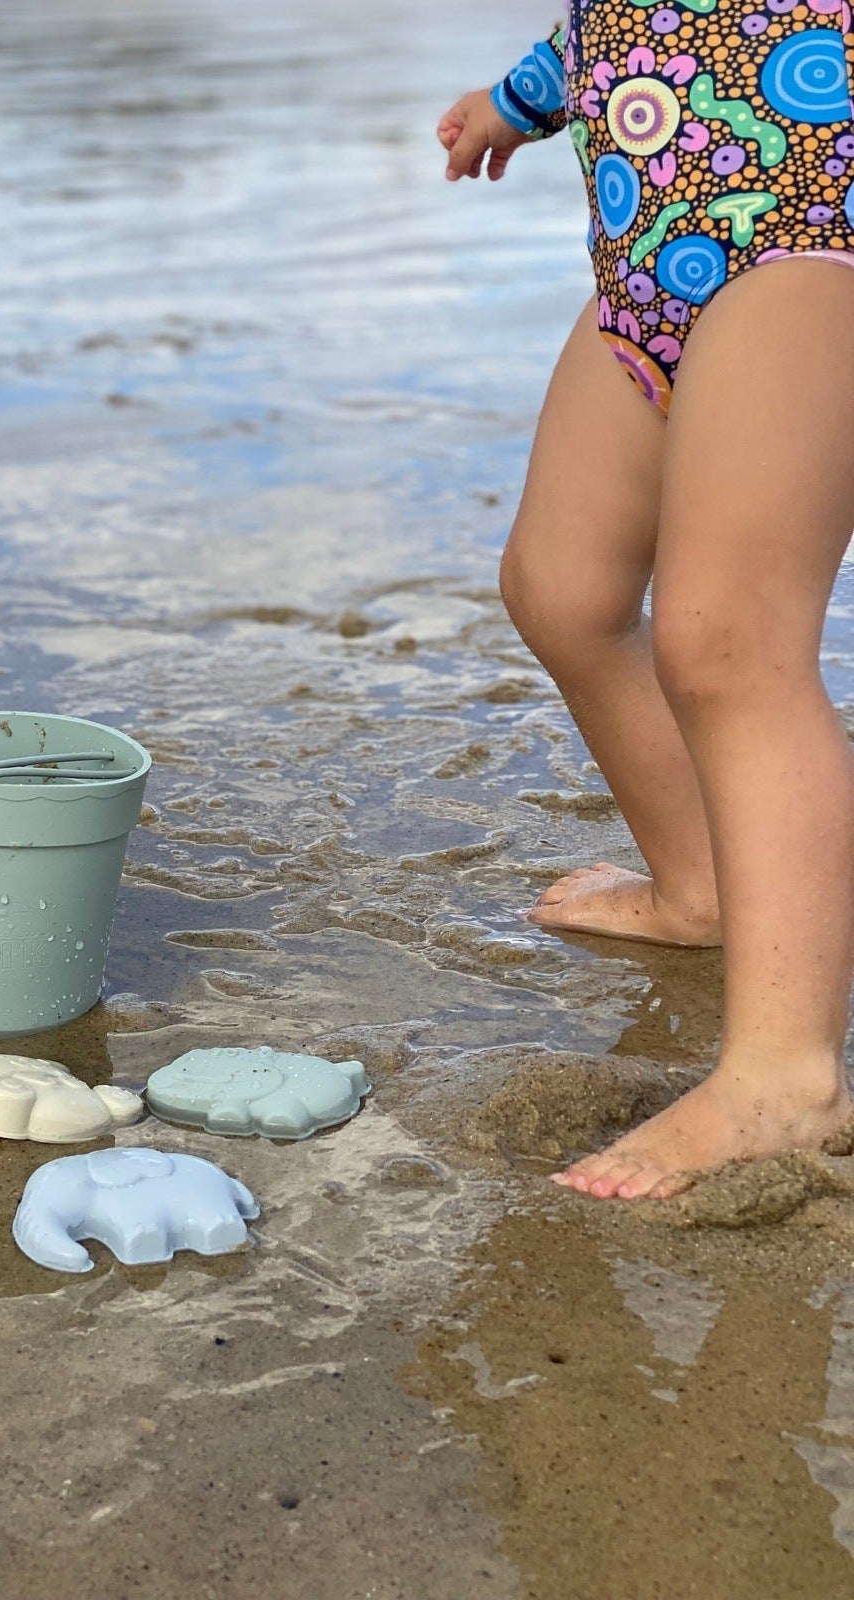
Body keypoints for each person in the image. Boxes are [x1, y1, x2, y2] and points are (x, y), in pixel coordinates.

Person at [435, 0, 854, 1198]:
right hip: (649, 272)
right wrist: (514, 102)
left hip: (812, 244)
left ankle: (790, 1074)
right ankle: (701, 886)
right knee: (560, 589)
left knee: (729, 641)